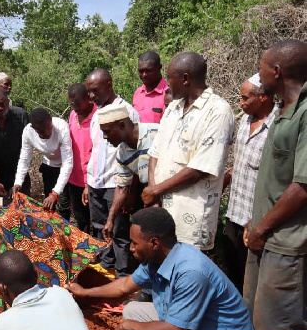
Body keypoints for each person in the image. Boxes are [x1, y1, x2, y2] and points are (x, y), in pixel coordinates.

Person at [66, 207, 256, 330]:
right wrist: (84, 292)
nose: (131, 248)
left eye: (134, 243)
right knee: (132, 310)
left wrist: (129, 326)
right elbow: (124, 286)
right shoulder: (158, 259)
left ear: (154, 243)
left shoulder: (191, 272)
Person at [244, 39, 307, 330]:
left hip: (285, 244)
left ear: (277, 72)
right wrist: (257, 224)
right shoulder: (282, 111)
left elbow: (302, 186)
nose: (260, 72)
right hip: (264, 237)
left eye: (263, 66)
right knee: (255, 320)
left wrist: (262, 227)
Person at [143, 52, 234, 251]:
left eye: (169, 78)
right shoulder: (173, 107)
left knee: (186, 275)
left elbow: (200, 168)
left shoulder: (218, 111)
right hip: (162, 214)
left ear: (185, 79)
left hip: (190, 221)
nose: (167, 85)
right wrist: (153, 194)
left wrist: (156, 190)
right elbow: (155, 151)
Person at [221, 74, 276, 292]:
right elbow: (240, 164)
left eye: (245, 98)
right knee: (233, 272)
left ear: (263, 97)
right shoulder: (245, 120)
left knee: (253, 280)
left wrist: (259, 220)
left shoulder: (277, 126)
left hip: (255, 220)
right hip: (234, 212)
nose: (241, 103)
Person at [84, 68, 140, 277]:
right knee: (100, 226)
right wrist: (87, 181)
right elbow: (95, 149)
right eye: (89, 92)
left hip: (116, 183)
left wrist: (131, 190)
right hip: (96, 181)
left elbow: (136, 152)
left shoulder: (127, 111)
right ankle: (107, 264)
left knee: (119, 231)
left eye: (95, 91)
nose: (91, 96)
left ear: (109, 85)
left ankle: (123, 273)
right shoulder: (95, 114)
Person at [98, 104, 159, 243]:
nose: (105, 137)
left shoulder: (157, 133)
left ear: (121, 125)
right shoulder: (122, 153)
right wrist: (110, 220)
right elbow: (122, 187)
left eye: (107, 131)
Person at [12, 108, 73, 212]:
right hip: (48, 166)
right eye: (41, 131)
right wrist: (18, 182)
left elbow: (67, 163)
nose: (47, 132)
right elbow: (24, 159)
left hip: (65, 167)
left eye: (48, 127)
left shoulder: (61, 127)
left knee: (63, 205)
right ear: (34, 129)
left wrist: (55, 193)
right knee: (49, 205)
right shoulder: (28, 132)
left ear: (51, 121)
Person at [63, 83, 96, 233]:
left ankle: (100, 253)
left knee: (97, 219)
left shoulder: (98, 115)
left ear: (87, 97)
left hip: (93, 179)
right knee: (81, 219)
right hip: (74, 178)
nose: (74, 107)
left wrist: (89, 183)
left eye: (78, 103)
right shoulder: (72, 115)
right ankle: (85, 252)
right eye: (72, 104)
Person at [133, 51, 169, 124]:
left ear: (159, 68)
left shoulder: (169, 93)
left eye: (149, 71)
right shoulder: (138, 93)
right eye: (141, 71)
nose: (144, 75)